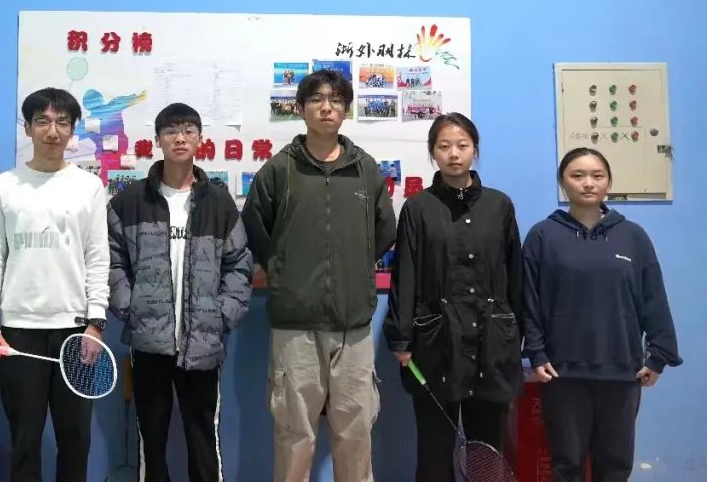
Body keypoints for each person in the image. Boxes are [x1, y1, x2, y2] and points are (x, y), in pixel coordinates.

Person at [242, 68, 396, 482]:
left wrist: (353, 267)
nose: (326, 107)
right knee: (294, 434)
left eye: (335, 100)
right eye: (316, 99)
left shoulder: (365, 169)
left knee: (356, 432)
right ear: (300, 109)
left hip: (353, 325)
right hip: (295, 325)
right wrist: (282, 270)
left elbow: (384, 231)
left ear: (346, 110)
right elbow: (255, 227)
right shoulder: (280, 170)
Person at [107, 103, 253, 482]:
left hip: (202, 342)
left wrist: (222, 315)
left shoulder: (218, 202)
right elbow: (111, 260)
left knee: (203, 440)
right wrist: (129, 306)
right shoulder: (130, 201)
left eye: (188, 130)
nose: (180, 138)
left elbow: (239, 265)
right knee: (151, 443)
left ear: (200, 139)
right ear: (158, 140)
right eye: (171, 131)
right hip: (148, 342)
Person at [523, 148, 681, 482]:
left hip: (622, 371)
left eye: (597, 176)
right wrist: (536, 352)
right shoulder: (542, 236)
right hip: (562, 372)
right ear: (562, 182)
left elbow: (653, 298)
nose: (588, 183)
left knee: (615, 465)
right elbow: (529, 301)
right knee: (567, 464)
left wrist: (658, 355)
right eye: (577, 176)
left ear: (609, 182)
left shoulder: (633, 236)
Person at [0, 87, 110, 482]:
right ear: (28, 127)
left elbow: (98, 257)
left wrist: (95, 323)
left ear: (72, 130)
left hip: (76, 331)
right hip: (18, 333)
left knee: (76, 440)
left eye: (62, 122)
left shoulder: (89, 186)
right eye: (43, 121)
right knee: (24, 442)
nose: (52, 131)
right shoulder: (4, 185)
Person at [383, 113, 523, 482]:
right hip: (436, 342)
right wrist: (401, 337)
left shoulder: (499, 205)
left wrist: (521, 335)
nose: (454, 154)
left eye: (462, 145)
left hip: (492, 341)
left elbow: (516, 275)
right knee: (434, 449)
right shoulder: (418, 208)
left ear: (475, 149)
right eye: (444, 146)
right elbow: (405, 275)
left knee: (487, 450)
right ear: (433, 153)